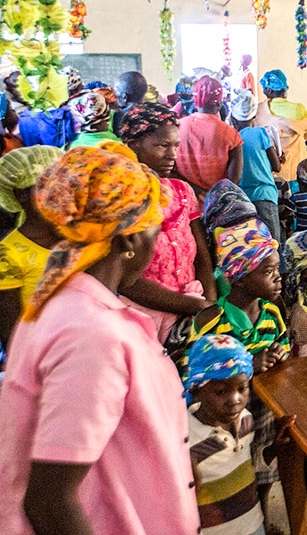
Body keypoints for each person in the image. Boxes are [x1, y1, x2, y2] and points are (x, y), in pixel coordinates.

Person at [0, 146, 202, 535]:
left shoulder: (60, 302)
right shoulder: (91, 336)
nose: (159, 236)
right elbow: (50, 501)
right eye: (154, 225)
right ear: (128, 242)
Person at [188, 218, 290, 526]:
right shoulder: (211, 321)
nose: (278, 278)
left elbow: (282, 343)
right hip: (224, 414)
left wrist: (278, 353)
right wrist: (251, 364)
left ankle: (260, 516)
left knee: (262, 467)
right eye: (268, 271)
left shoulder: (271, 312)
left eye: (277, 269)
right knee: (230, 468)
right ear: (241, 278)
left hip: (264, 406)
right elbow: (193, 376)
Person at [116, 106, 218, 342]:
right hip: (142, 317)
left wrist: (209, 306)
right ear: (134, 145)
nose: (172, 154)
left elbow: (202, 255)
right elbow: (126, 278)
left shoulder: (183, 191)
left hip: (192, 311)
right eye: (162, 146)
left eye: (175, 145)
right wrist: (194, 307)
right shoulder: (124, 199)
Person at [184, 334, 266, 535]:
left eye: (242, 388)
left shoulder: (246, 419)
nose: (235, 400)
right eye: (221, 392)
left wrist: (276, 447)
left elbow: (246, 466)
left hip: (253, 525)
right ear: (196, 391)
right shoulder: (185, 439)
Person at [0, 146, 63, 346]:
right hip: (41, 356)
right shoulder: (9, 255)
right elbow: (11, 331)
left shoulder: (76, 240)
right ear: (22, 195)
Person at [230, 88, 282, 244]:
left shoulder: (233, 137)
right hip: (265, 195)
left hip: (242, 199)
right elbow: (277, 166)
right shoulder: (261, 133)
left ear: (234, 119)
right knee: (272, 244)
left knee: (250, 244)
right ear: (254, 116)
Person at [177, 76, 244, 194]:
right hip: (216, 202)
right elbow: (234, 179)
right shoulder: (231, 135)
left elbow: (171, 170)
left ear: (195, 101)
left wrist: (197, 191)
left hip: (184, 199)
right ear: (219, 104)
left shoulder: (178, 127)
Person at [254, 70, 307, 182]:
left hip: (269, 170)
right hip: (295, 171)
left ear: (269, 90)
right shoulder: (299, 109)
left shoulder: (258, 110)